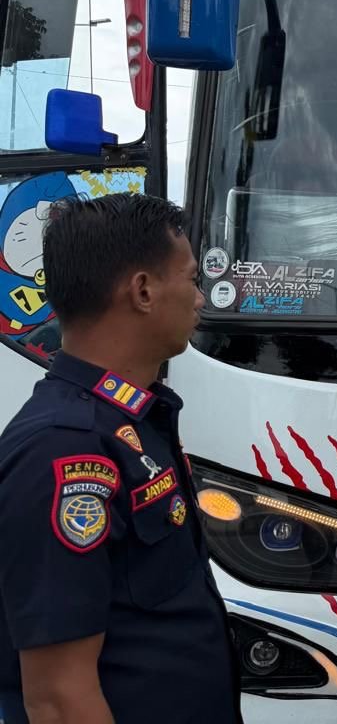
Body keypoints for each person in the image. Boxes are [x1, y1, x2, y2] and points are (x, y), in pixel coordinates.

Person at [0, 194, 241, 724]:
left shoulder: (129, 421)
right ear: (143, 291)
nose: (201, 297)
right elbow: (59, 700)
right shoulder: (64, 449)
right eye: (192, 279)